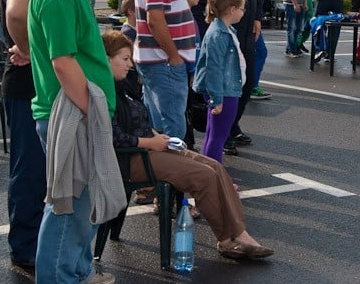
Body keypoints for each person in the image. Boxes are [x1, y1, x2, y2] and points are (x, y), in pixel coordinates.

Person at [102, 30, 273, 260]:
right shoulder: (104, 92)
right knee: (203, 175)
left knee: (214, 167)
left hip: (147, 149)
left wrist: (160, 138)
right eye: (124, 59)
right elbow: (114, 138)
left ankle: (240, 234)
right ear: (106, 59)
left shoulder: (123, 86)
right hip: (130, 159)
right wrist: (152, 141)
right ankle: (225, 239)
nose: (130, 64)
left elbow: (138, 122)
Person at [28, 0, 120, 284]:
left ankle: (78, 273)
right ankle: (58, 279)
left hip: (74, 111)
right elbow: (63, 62)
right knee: (68, 206)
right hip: (69, 114)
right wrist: (89, 114)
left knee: (80, 207)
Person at [0, 0, 53, 269]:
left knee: (35, 170)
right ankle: (25, 249)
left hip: (26, 87)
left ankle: (31, 245)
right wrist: (32, 51)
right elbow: (16, 12)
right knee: (30, 170)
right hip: (26, 89)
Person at [197, 0, 263, 156]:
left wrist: (257, 17)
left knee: (247, 81)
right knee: (227, 86)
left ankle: (231, 126)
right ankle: (224, 133)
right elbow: (200, 6)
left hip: (245, 31)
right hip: (223, 34)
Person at [133, 0, 196, 139]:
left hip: (159, 61)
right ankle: (172, 173)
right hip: (164, 62)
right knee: (173, 131)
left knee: (158, 127)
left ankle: (161, 172)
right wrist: (174, 56)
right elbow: (155, 19)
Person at [192, 0, 246, 163]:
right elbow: (214, 68)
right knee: (218, 136)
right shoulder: (219, 34)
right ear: (232, 9)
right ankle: (216, 180)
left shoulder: (223, 30)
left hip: (224, 89)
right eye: (242, 8)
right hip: (224, 91)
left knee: (212, 133)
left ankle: (210, 176)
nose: (243, 12)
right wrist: (217, 98)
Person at [240, 0, 271, 100]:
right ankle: (251, 86)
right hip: (246, 20)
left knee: (252, 53)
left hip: (248, 18)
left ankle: (248, 85)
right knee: (259, 52)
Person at [179, 0, 202, 151]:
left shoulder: (189, 15)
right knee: (184, 109)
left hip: (189, 71)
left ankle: (189, 141)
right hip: (184, 72)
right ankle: (186, 144)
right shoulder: (183, 17)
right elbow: (190, 48)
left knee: (186, 109)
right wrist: (193, 70)